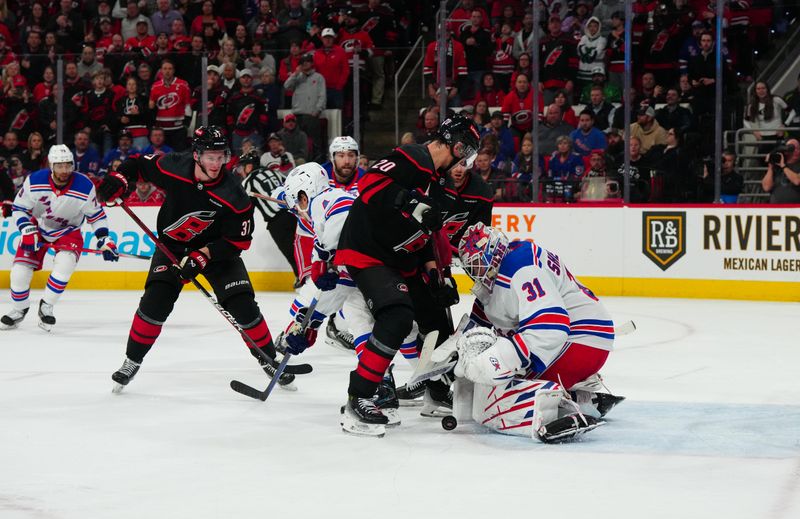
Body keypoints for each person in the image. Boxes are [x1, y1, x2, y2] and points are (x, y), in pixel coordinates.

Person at [96, 126, 300, 392]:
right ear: (196, 155)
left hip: (217, 253)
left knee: (243, 305)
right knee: (155, 302)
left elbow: (238, 241)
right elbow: (136, 165)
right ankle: (131, 361)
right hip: (173, 247)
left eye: (220, 157)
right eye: (209, 157)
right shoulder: (173, 166)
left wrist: (204, 255)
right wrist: (120, 179)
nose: (216, 164)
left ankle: (268, 359)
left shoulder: (235, 194)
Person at [332, 115, 480, 436]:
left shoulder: (438, 182)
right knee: (397, 317)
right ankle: (360, 397)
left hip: (402, 258)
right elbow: (368, 185)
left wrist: (434, 271)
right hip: (368, 252)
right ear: (457, 147)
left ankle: (436, 389)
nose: (464, 164)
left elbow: (423, 231)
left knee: (438, 318)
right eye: (466, 155)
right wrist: (408, 200)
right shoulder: (414, 157)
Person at [448, 222, 621, 442]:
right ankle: (583, 397)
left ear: (493, 252)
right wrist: (453, 353)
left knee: (492, 390)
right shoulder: (507, 265)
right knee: (490, 373)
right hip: (587, 340)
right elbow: (478, 324)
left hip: (578, 342)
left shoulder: (520, 267)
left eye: (478, 265)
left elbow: (551, 327)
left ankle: (554, 406)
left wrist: (505, 358)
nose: (476, 273)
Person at [0, 145, 119, 331]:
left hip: (68, 230)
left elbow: (96, 216)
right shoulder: (35, 181)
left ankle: (46, 306)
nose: (65, 171)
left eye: (68, 166)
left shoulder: (85, 185)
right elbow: (19, 208)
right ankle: (19, 308)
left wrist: (104, 239)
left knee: (65, 265)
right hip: (37, 226)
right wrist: (26, 228)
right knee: (19, 272)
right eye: (60, 166)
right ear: (51, 165)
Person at [238, 150, 298, 280]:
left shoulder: (249, 181)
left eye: (243, 167)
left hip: (277, 222)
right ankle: (311, 275)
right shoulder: (274, 172)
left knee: (291, 252)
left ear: (249, 166)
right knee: (302, 248)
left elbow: (245, 207)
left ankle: (303, 279)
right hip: (295, 214)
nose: (241, 171)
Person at [284, 53, 326, 161]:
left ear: (312, 63)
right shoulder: (297, 77)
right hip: (297, 115)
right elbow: (286, 86)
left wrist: (317, 110)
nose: (305, 64)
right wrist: (295, 74)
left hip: (311, 114)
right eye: (302, 62)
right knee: (299, 142)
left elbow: (322, 95)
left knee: (314, 142)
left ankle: (317, 162)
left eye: (307, 61)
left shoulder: (318, 77)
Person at [761, 138, 800, 203]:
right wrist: (770, 167)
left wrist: (783, 166)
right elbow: (766, 187)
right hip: (777, 208)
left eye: (797, 148)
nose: (795, 151)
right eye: (792, 148)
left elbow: (797, 181)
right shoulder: (777, 166)